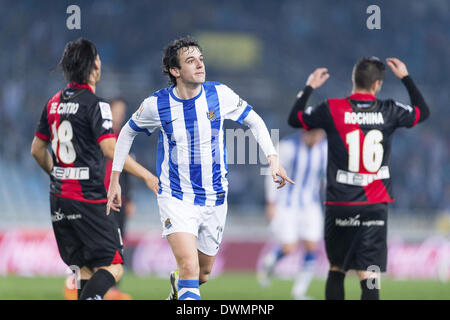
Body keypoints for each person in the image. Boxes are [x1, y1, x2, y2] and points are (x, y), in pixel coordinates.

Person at [107, 37, 294, 300]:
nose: (199, 65)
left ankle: (177, 288)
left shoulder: (220, 94)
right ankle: (184, 283)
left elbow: (254, 121)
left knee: (202, 274)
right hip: (176, 197)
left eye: (201, 59)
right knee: (190, 267)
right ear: (175, 71)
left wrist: (272, 158)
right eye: (190, 61)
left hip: (215, 198)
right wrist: (115, 178)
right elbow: (126, 133)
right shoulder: (157, 105)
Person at [287, 57, 430, 300]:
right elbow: (421, 112)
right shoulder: (389, 110)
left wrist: (309, 86)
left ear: (354, 80)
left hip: (340, 204)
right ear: (377, 85)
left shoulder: (332, 108)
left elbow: (295, 118)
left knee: (337, 269)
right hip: (374, 207)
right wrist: (406, 78)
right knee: (369, 275)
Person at [30, 39, 158, 300]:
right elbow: (110, 149)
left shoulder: (52, 104)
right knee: (114, 265)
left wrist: (58, 175)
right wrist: (146, 175)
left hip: (59, 200)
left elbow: (36, 150)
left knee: (84, 271)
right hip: (88, 199)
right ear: (94, 66)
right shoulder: (96, 104)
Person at [258, 128, 327, 300]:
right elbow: (271, 173)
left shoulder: (324, 149)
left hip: (311, 205)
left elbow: (327, 176)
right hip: (287, 206)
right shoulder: (288, 147)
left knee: (312, 247)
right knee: (289, 247)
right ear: (308, 131)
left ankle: (299, 292)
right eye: (317, 133)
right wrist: (271, 202)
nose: (319, 137)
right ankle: (271, 262)